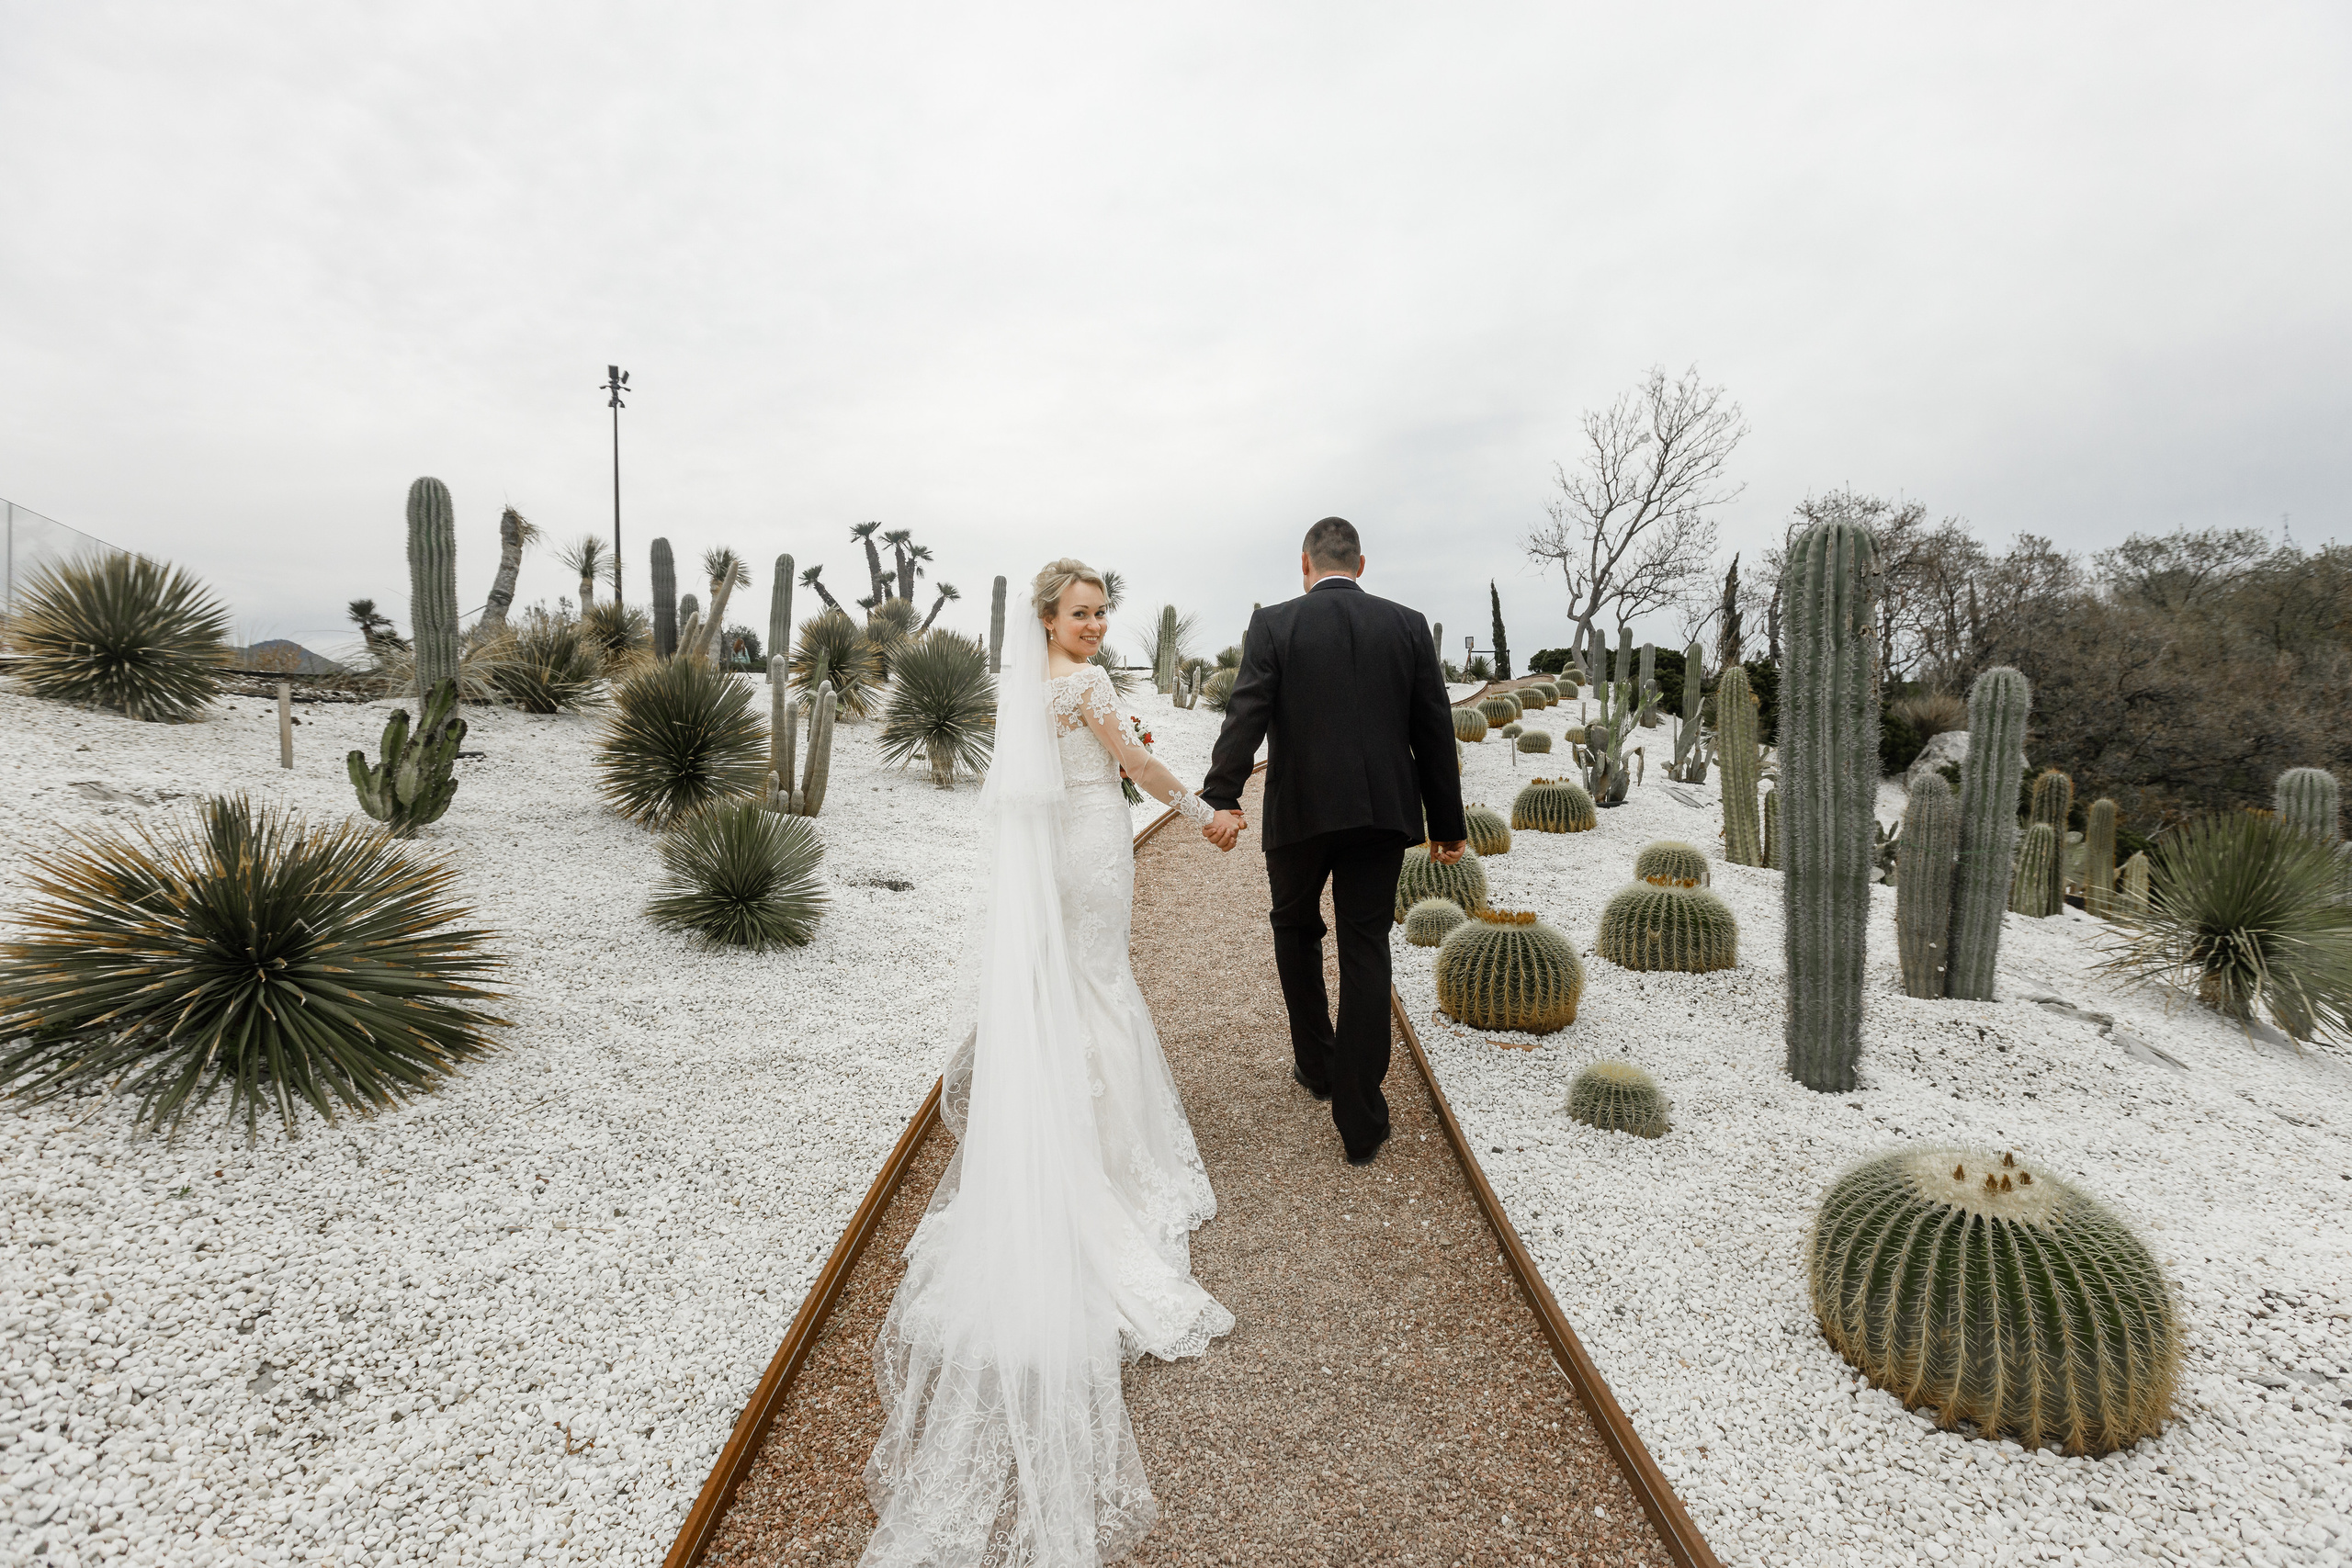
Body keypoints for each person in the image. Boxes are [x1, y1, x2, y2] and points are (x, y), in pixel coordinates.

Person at [860, 559, 1234, 1567]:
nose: (1095, 625)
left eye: (1100, 613)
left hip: (1056, 848)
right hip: (1096, 842)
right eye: (1079, 615)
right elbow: (1140, 772)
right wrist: (1205, 816)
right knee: (1103, 984)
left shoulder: (1026, 691)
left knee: (1074, 986)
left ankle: (1080, 1127)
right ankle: (1114, 1152)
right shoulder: (1088, 688)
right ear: (1048, 621)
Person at [1200, 517, 1466, 1166]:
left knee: (1294, 928)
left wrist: (1224, 792)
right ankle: (1361, 1120)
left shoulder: (1274, 624)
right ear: (1361, 563)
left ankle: (1317, 1065)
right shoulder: (1407, 624)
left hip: (1299, 812)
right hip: (1380, 816)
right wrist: (1447, 824)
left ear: (1305, 563)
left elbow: (1248, 711)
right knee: (1365, 945)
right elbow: (1434, 728)